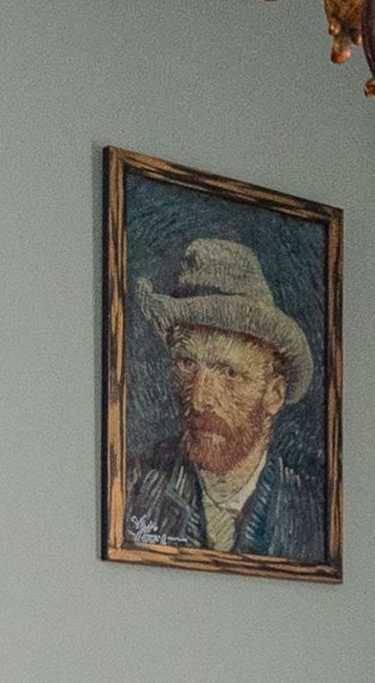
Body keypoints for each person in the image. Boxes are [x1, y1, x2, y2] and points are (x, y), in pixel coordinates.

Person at [125, 236, 329, 564]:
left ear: (274, 394)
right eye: (187, 364)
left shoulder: (312, 508)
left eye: (229, 373)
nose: (201, 397)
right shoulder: (132, 484)